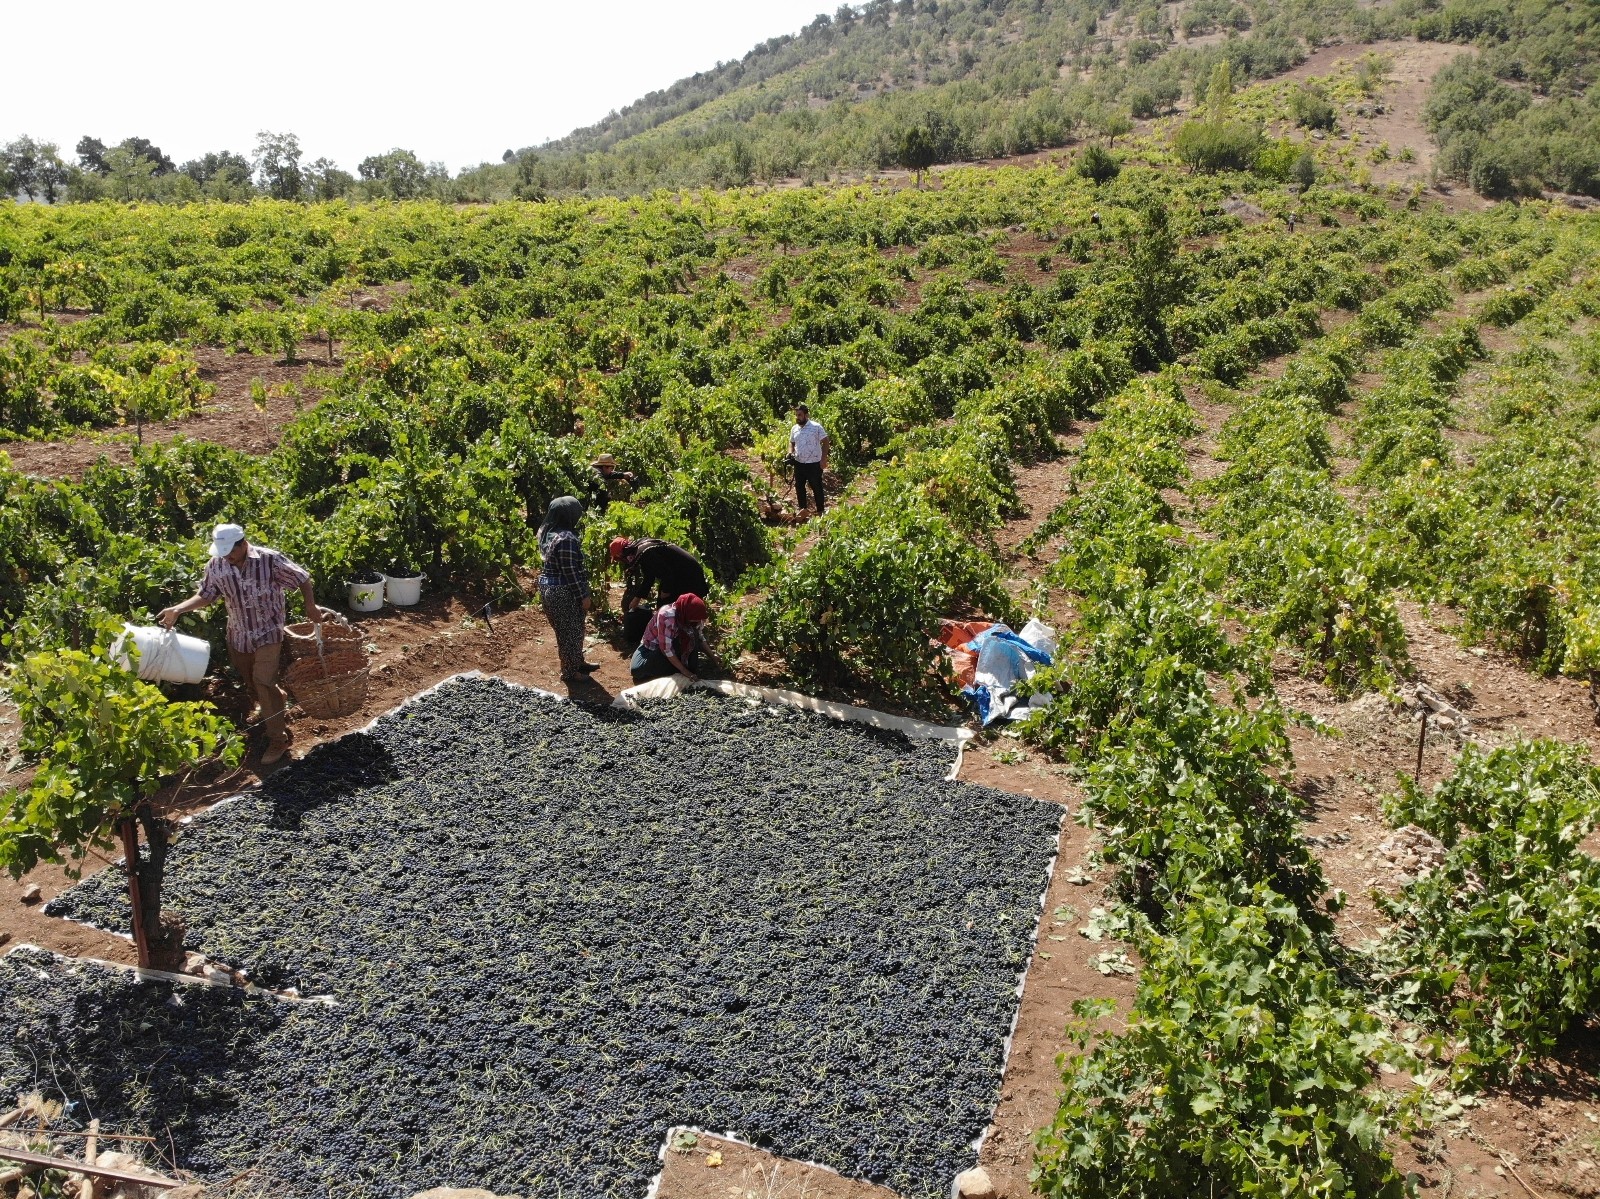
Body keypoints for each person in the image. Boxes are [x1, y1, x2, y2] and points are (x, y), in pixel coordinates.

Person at [157, 523, 324, 765]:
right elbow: (206, 595)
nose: (227, 557)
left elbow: (302, 578)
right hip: (238, 635)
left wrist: (310, 605)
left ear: (243, 544)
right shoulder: (216, 565)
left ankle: (279, 738)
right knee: (252, 683)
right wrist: (178, 609)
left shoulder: (269, 560)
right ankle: (274, 703)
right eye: (223, 552)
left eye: (231, 551)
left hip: (268, 632)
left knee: (263, 681)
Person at [537, 496, 600, 683]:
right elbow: (570, 571)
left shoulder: (547, 532)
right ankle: (570, 673)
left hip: (552, 587)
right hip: (563, 591)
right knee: (568, 632)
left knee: (574, 629)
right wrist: (583, 595)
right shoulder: (566, 539)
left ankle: (577, 662)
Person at [631, 593, 710, 683]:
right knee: (636, 670)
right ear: (686, 615)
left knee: (693, 634)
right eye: (694, 620)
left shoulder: (695, 618)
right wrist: (685, 671)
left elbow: (700, 637)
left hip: (676, 646)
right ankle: (675, 667)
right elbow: (666, 650)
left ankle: (678, 666)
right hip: (654, 648)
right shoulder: (666, 616)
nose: (697, 622)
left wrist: (714, 658)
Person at [789, 403, 830, 516]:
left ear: (806, 415)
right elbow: (791, 443)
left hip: (814, 464)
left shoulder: (816, 427)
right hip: (799, 463)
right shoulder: (794, 428)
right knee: (799, 487)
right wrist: (790, 453)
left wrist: (823, 459)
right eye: (796, 415)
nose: (797, 417)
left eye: (800, 415)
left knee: (816, 486)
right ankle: (803, 511)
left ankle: (820, 511)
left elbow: (826, 442)